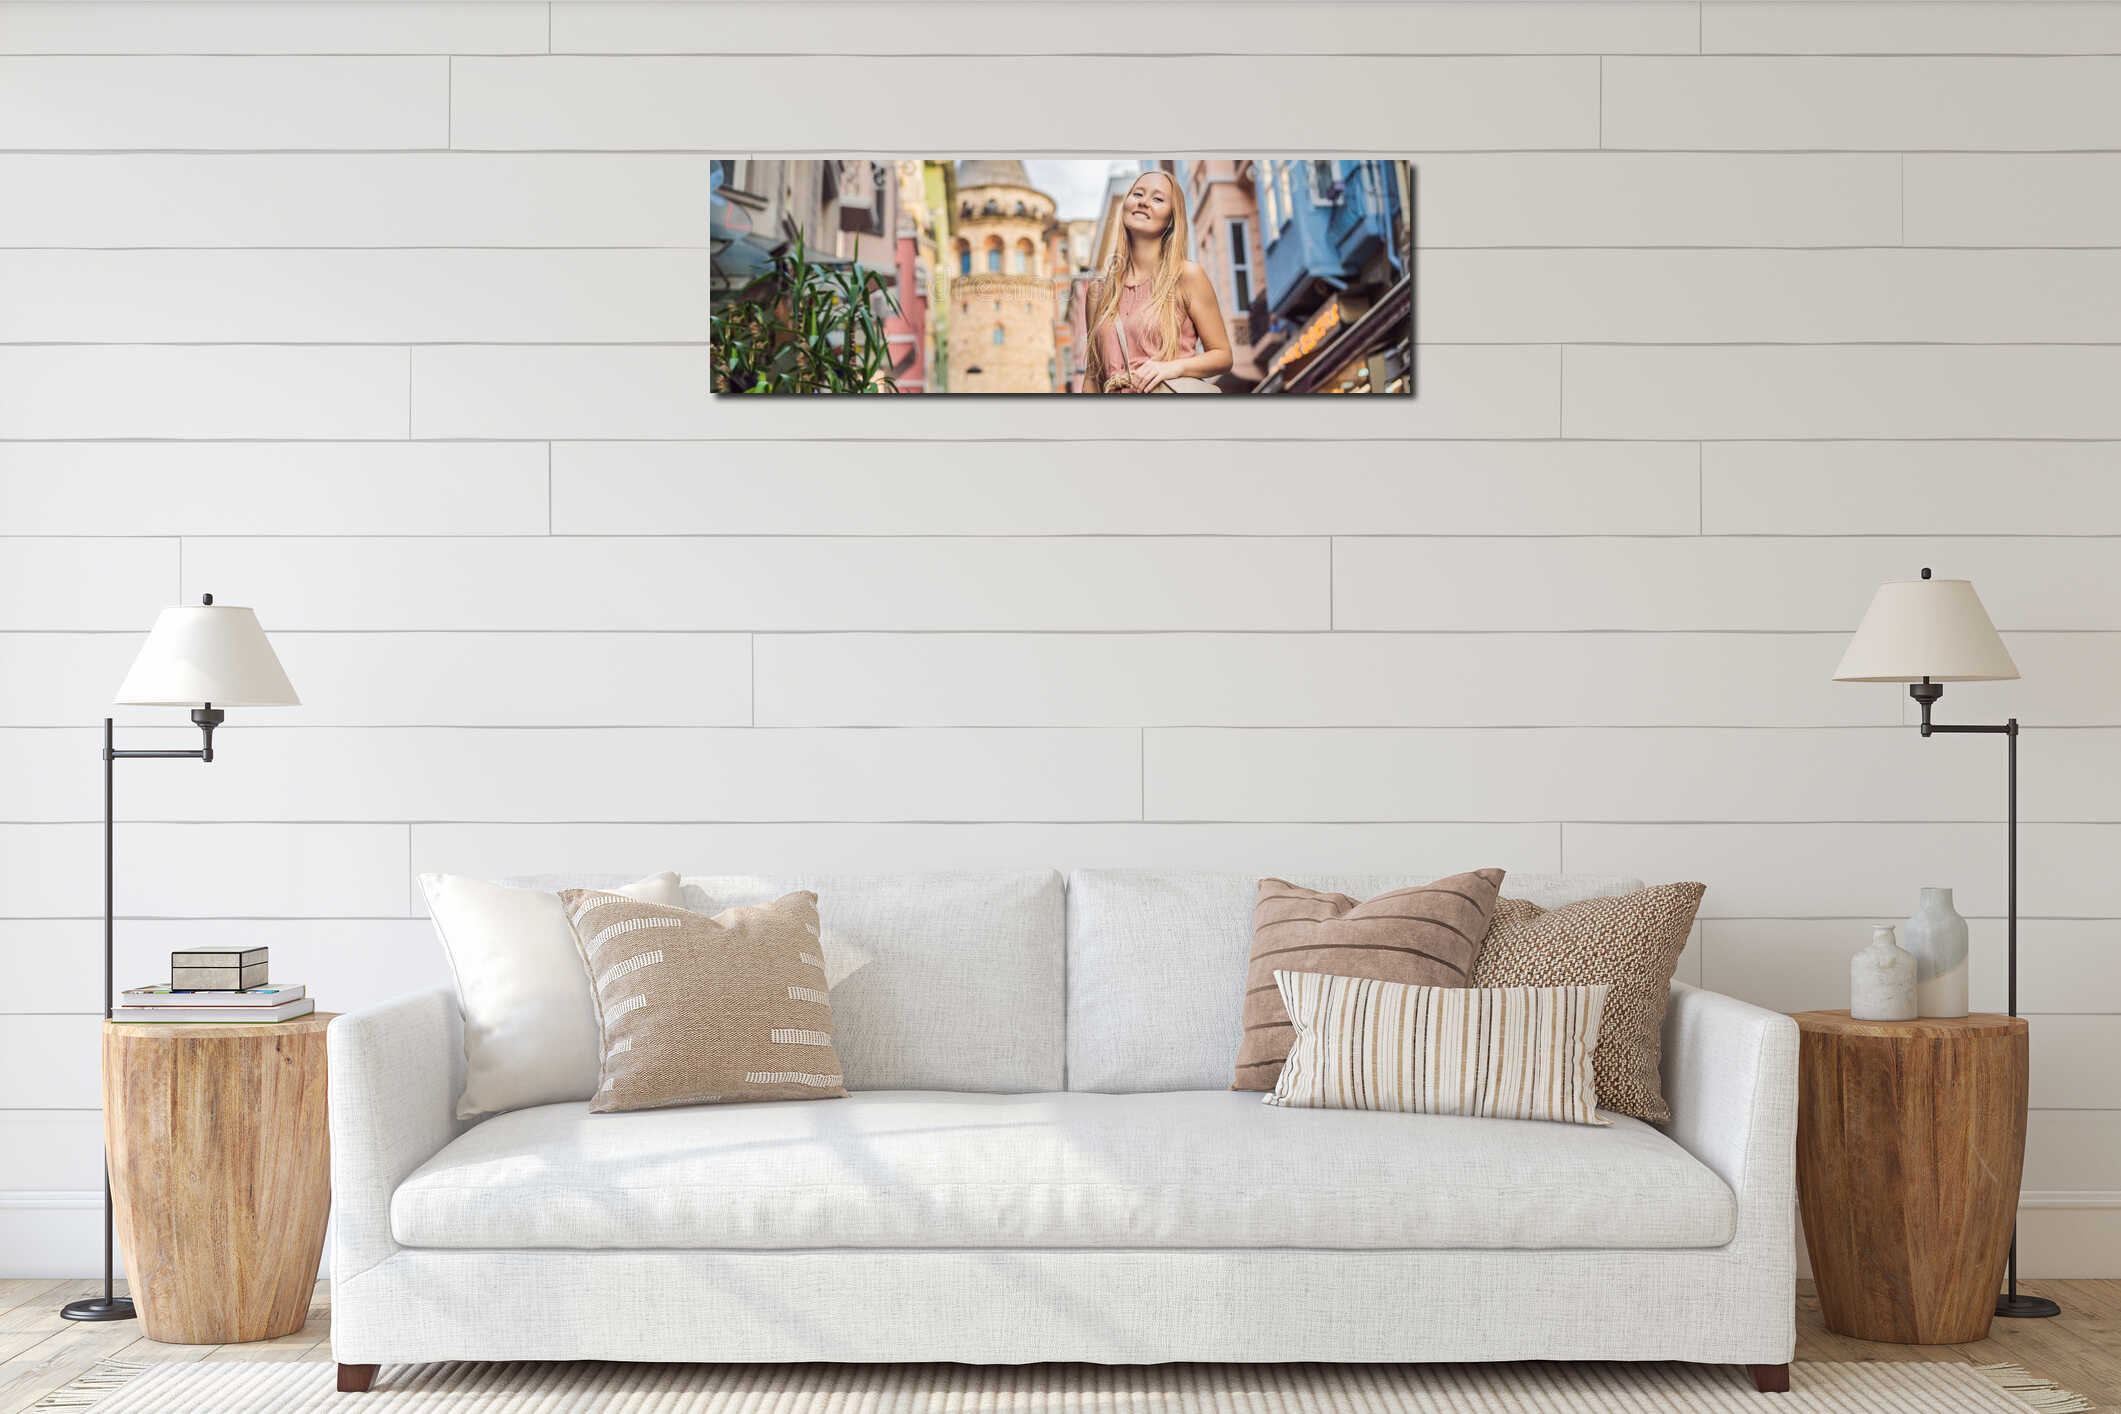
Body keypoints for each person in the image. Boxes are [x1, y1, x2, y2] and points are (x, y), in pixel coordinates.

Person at [1079, 170, 1233, 393]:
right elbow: (1092, 379)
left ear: (1171, 219)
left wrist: (1172, 368)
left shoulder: (1186, 276)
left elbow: (1223, 356)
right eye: (1137, 194)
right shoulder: (1098, 294)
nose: (1143, 202)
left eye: (1157, 199)